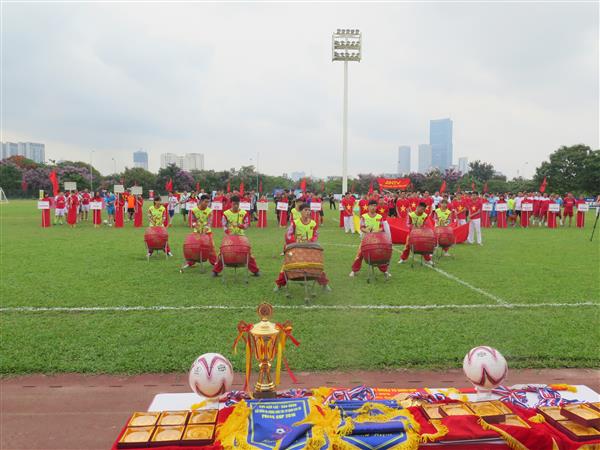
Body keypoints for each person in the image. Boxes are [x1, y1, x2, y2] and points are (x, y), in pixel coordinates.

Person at [274, 203, 331, 291]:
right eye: (305, 210)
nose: (308, 212)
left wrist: (311, 241)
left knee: (317, 265)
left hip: (309, 248)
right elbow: (288, 235)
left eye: (309, 210)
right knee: (286, 265)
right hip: (295, 247)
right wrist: (295, 242)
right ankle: (279, 284)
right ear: (301, 212)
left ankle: (324, 284)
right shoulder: (295, 222)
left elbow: (315, 235)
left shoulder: (313, 223)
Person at [212, 196, 260, 277]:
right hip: (229, 238)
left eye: (237, 204)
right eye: (234, 204)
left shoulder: (244, 213)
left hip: (241, 237)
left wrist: (241, 226)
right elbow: (224, 224)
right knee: (222, 253)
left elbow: (247, 224)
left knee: (248, 253)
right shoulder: (226, 213)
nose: (236, 206)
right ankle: (215, 271)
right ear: (231, 203)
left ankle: (255, 271)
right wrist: (227, 231)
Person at [349, 200, 391, 278]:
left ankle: (385, 271)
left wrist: (376, 231)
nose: (373, 207)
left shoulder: (379, 217)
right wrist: (367, 231)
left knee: (379, 255)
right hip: (366, 240)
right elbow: (361, 227)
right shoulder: (364, 217)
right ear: (368, 207)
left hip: (377, 240)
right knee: (359, 255)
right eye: (371, 206)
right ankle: (354, 270)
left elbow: (382, 228)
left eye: (375, 206)